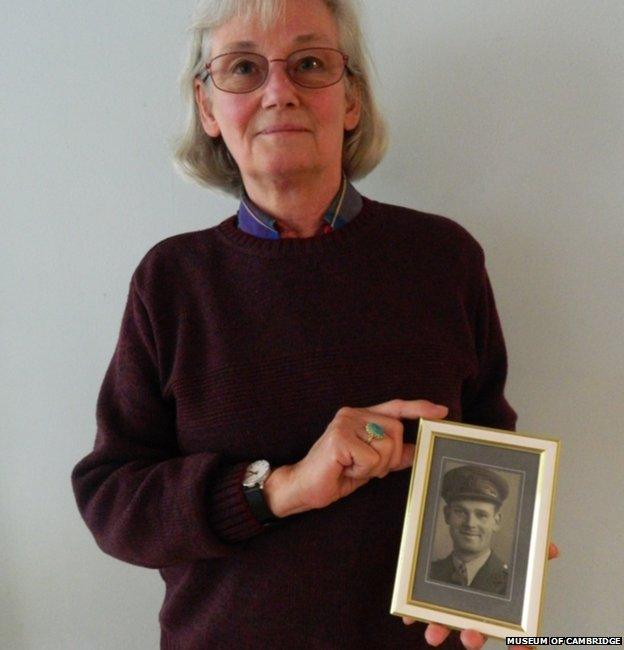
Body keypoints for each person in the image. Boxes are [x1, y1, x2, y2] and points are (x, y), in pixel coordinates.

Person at [70, 1, 556, 648]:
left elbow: (488, 446)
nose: (280, 92)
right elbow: (114, 502)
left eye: (309, 64)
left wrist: (503, 559)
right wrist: (282, 488)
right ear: (209, 108)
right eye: (243, 68)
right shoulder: (173, 280)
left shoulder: (443, 259)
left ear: (351, 99)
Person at [430, 465, 510, 595]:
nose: (470, 524)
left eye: (481, 515)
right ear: (446, 515)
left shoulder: (511, 584)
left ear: (496, 521)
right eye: (460, 512)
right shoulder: (428, 572)